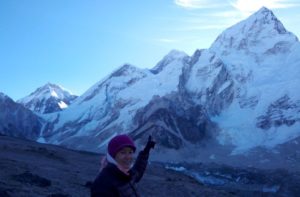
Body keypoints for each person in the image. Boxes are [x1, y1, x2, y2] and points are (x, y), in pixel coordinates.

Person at [90, 134, 155, 197]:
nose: (128, 157)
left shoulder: (126, 173)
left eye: (130, 152)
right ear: (112, 156)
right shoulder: (103, 184)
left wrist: (146, 151)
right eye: (123, 152)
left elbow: (137, 171)